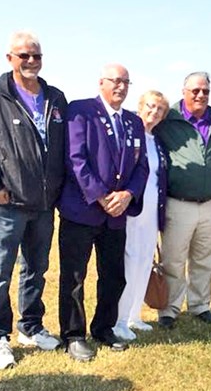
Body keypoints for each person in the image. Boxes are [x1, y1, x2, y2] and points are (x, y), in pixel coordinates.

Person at [0, 30, 67, 370]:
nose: (31, 61)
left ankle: (31, 326)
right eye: (24, 56)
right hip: (6, 205)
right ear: (10, 58)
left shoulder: (55, 98)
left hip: (43, 204)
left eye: (36, 55)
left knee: (36, 269)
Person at [57, 64, 148, 360]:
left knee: (113, 275)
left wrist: (128, 194)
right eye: (115, 81)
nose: (120, 87)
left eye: (126, 82)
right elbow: (75, 158)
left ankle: (103, 327)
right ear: (101, 83)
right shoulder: (81, 111)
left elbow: (142, 166)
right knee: (74, 277)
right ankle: (73, 335)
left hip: (116, 214)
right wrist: (100, 195)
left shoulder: (134, 122)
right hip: (82, 210)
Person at [152, 72, 211, 329]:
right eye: (195, 91)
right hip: (179, 202)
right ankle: (169, 309)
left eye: (205, 91)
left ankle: (200, 305)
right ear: (184, 91)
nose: (200, 95)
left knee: (205, 257)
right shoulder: (168, 118)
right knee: (173, 259)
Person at [113, 90, 169, 342]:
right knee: (129, 260)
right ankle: (119, 319)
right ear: (140, 106)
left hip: (151, 209)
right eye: (150, 106)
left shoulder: (156, 141)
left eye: (159, 109)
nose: (154, 112)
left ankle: (135, 315)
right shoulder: (127, 133)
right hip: (131, 207)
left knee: (145, 260)